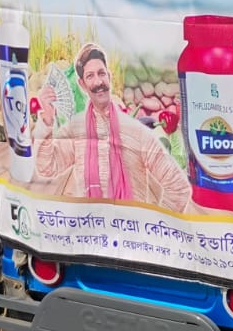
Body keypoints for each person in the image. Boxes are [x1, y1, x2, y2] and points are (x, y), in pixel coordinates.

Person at [34, 43, 192, 211]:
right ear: (82, 84)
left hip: (130, 225)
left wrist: (155, 222)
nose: (98, 82)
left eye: (101, 73)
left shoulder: (136, 132)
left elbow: (178, 188)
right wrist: (47, 119)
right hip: (89, 224)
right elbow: (47, 167)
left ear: (109, 77)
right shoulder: (75, 129)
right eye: (90, 76)